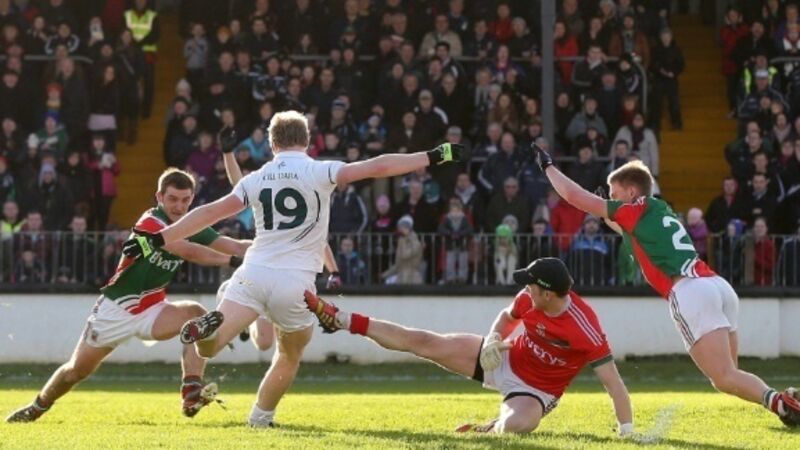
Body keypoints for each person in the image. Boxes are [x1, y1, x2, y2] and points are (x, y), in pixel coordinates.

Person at [121, 111, 463, 427]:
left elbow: (209, 212)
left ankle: (206, 331)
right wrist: (434, 155)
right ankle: (260, 418)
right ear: (307, 140)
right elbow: (377, 166)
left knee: (210, 348)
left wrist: (158, 239)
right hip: (294, 283)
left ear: (272, 144)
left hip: (252, 273)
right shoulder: (319, 170)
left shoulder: (256, 178)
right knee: (289, 353)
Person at [532, 143, 800, 427]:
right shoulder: (659, 209)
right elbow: (626, 230)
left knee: (723, 377)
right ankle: (781, 403)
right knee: (731, 374)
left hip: (690, 291)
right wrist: (606, 212)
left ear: (632, 192)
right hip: (716, 285)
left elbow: (574, 196)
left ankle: (783, 402)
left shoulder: (634, 210)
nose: (611, 200)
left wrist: (548, 167)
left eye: (614, 194)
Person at [6, 168, 252, 423]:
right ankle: (37, 407)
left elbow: (234, 245)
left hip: (153, 308)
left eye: (185, 200)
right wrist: (232, 261)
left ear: (192, 199)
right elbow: (188, 251)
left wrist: (268, 248)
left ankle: (191, 390)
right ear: (159, 197)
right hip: (116, 308)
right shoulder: (151, 222)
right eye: (172, 199)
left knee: (196, 315)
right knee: (76, 371)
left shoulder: (190, 223)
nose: (179, 206)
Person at [303, 257, 634, 435]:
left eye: (532, 286)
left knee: (518, 426)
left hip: (536, 391)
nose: (526, 290)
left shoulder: (585, 328)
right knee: (423, 342)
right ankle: (342, 319)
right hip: (503, 358)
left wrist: (627, 431)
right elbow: (506, 318)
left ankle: (490, 428)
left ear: (548, 294)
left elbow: (614, 384)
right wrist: (493, 339)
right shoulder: (530, 298)